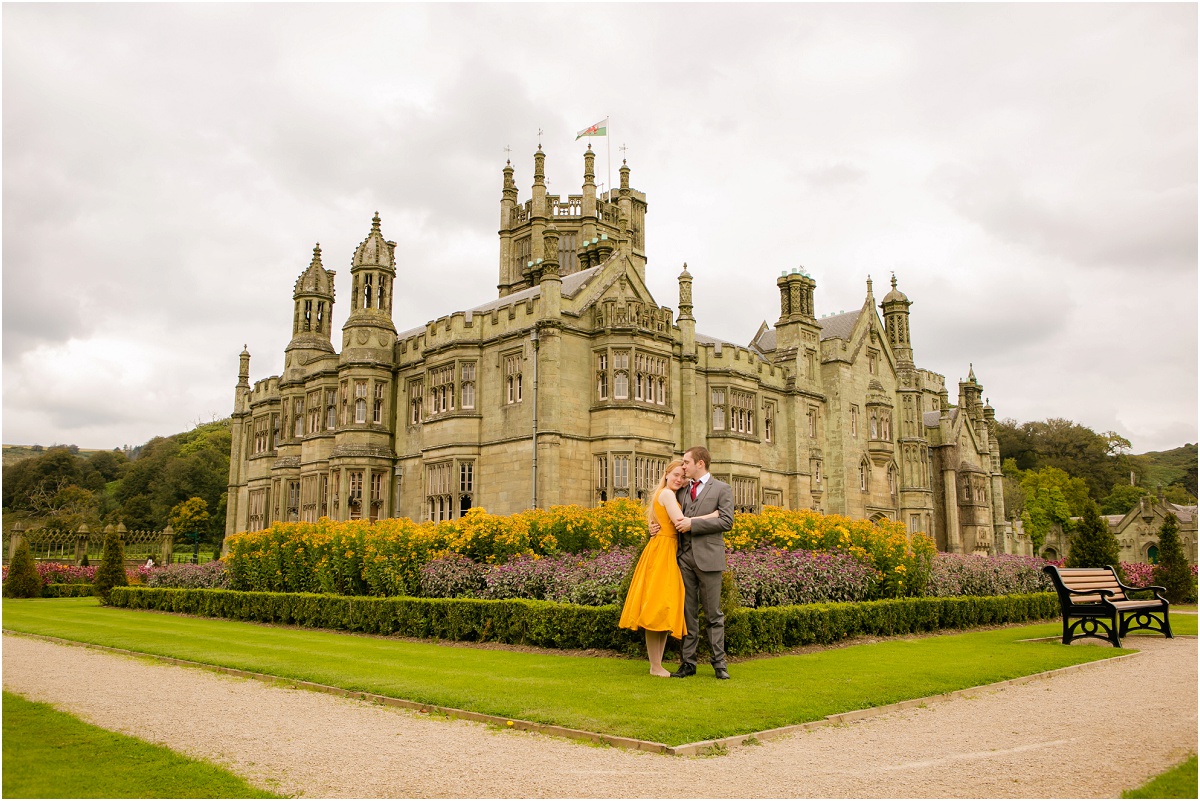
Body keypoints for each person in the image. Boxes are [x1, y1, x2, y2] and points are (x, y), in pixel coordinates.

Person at [618, 460, 719, 677]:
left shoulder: (666, 494)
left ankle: (657, 664)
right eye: (675, 474)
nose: (679, 479)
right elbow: (680, 521)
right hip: (663, 551)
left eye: (683, 477)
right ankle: (655, 666)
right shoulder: (666, 494)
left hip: (665, 549)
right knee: (658, 607)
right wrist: (713, 516)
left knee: (661, 610)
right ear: (666, 475)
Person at [652, 446, 734, 680]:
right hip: (684, 559)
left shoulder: (722, 489)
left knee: (713, 615)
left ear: (700, 463)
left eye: (686, 462)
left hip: (709, 559)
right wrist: (652, 526)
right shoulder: (680, 490)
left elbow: (727, 521)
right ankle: (688, 663)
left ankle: (719, 664)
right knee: (688, 615)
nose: (683, 466)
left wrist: (693, 524)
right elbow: (665, 513)